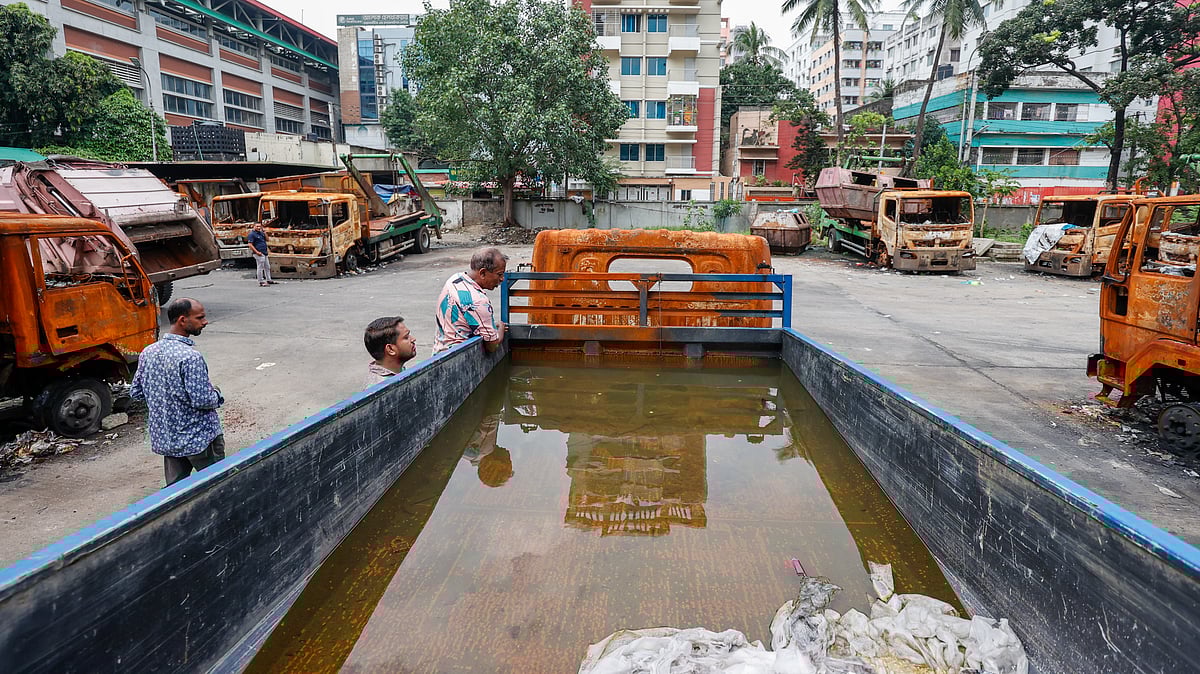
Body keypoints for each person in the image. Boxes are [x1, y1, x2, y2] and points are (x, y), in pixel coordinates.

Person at [131, 298, 225, 487]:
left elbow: (136, 393)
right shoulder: (190, 357)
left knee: (175, 494)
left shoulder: (148, 352)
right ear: (183, 320)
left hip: (167, 439)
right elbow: (202, 400)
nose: (205, 322)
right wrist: (216, 394)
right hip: (199, 440)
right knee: (218, 487)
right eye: (200, 318)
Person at [432, 247, 508, 354]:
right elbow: (492, 345)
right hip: (458, 358)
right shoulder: (478, 301)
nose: (502, 279)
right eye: (499, 274)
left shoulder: (455, 279)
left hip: (439, 353)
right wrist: (500, 328)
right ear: (482, 273)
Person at [362, 315, 418, 389]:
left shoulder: (398, 371)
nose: (413, 339)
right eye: (406, 337)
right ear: (390, 349)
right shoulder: (380, 390)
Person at [248, 222, 274, 287]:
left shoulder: (261, 233)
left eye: (260, 226)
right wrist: (257, 252)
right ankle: (261, 281)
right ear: (253, 226)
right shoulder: (252, 234)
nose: (259, 228)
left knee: (267, 267)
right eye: (257, 226)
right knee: (260, 267)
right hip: (259, 253)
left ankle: (269, 279)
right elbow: (250, 245)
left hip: (264, 252)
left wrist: (265, 233)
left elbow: (267, 239)